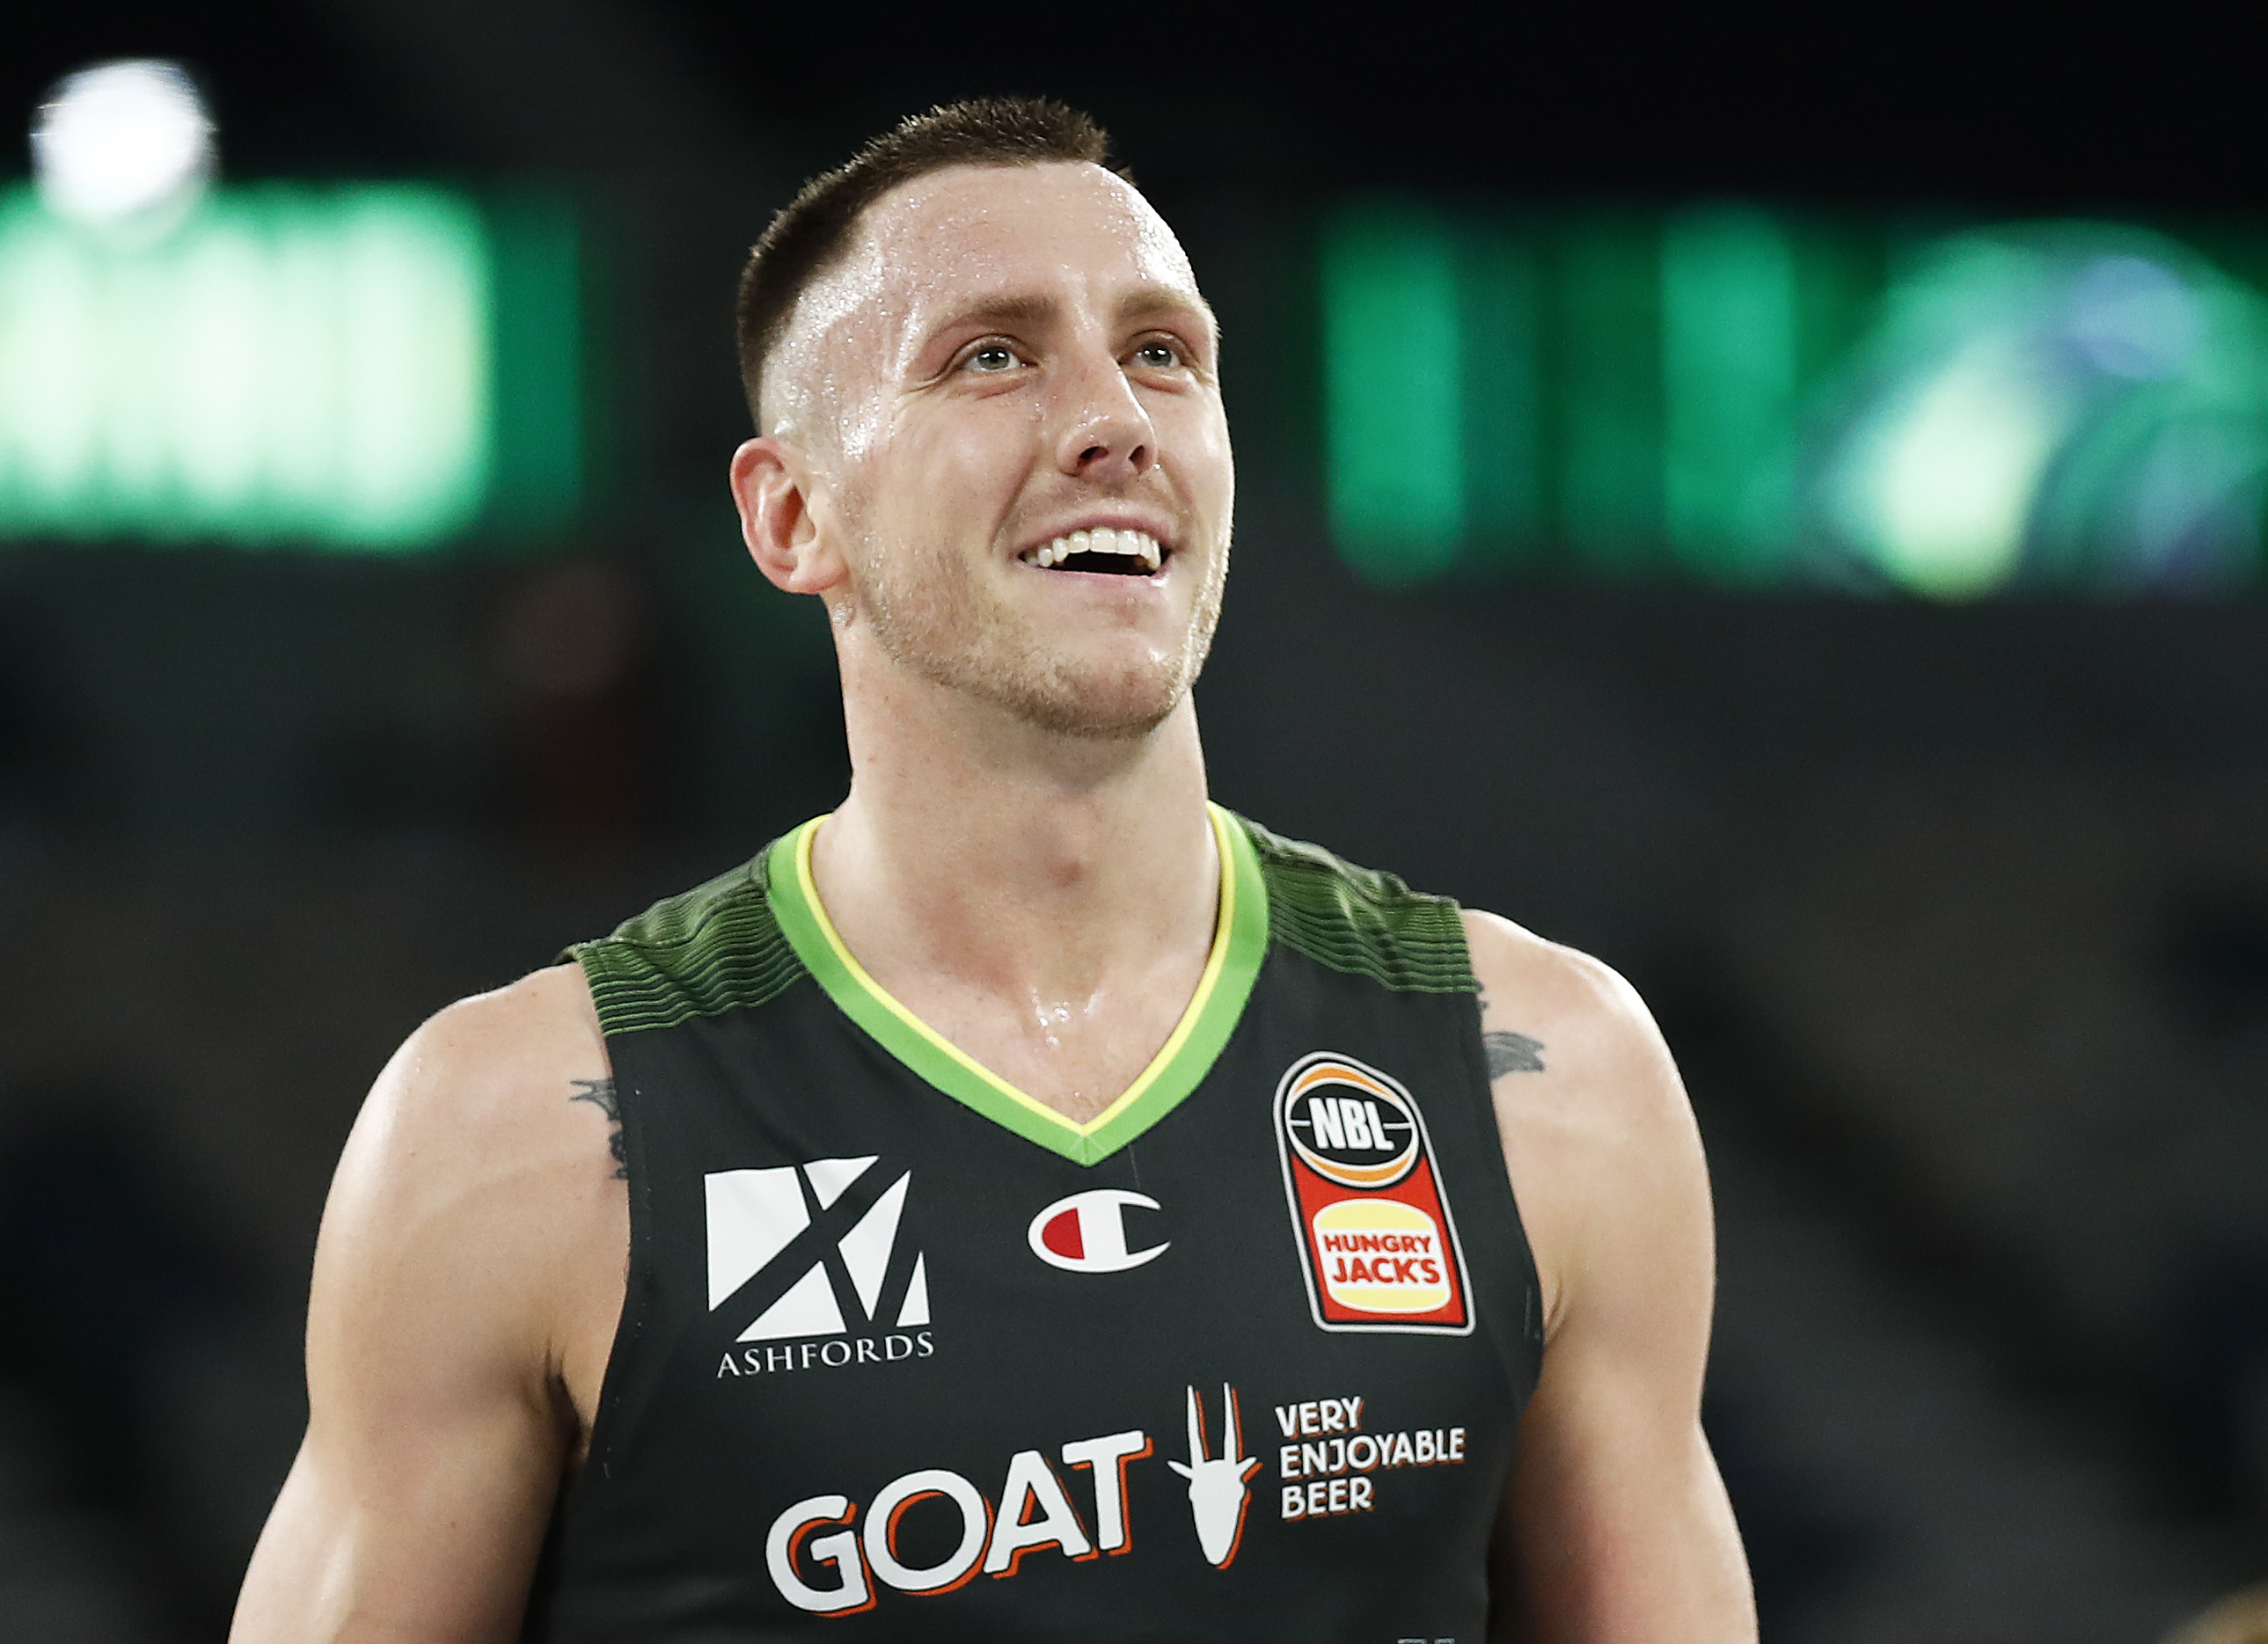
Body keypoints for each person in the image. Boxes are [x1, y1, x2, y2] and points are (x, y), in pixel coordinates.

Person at [230, 98, 1758, 1642]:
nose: (1116, 419)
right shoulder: (519, 1129)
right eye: (992, 356)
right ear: (791, 513)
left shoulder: (1544, 1073)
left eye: (1162, 352)